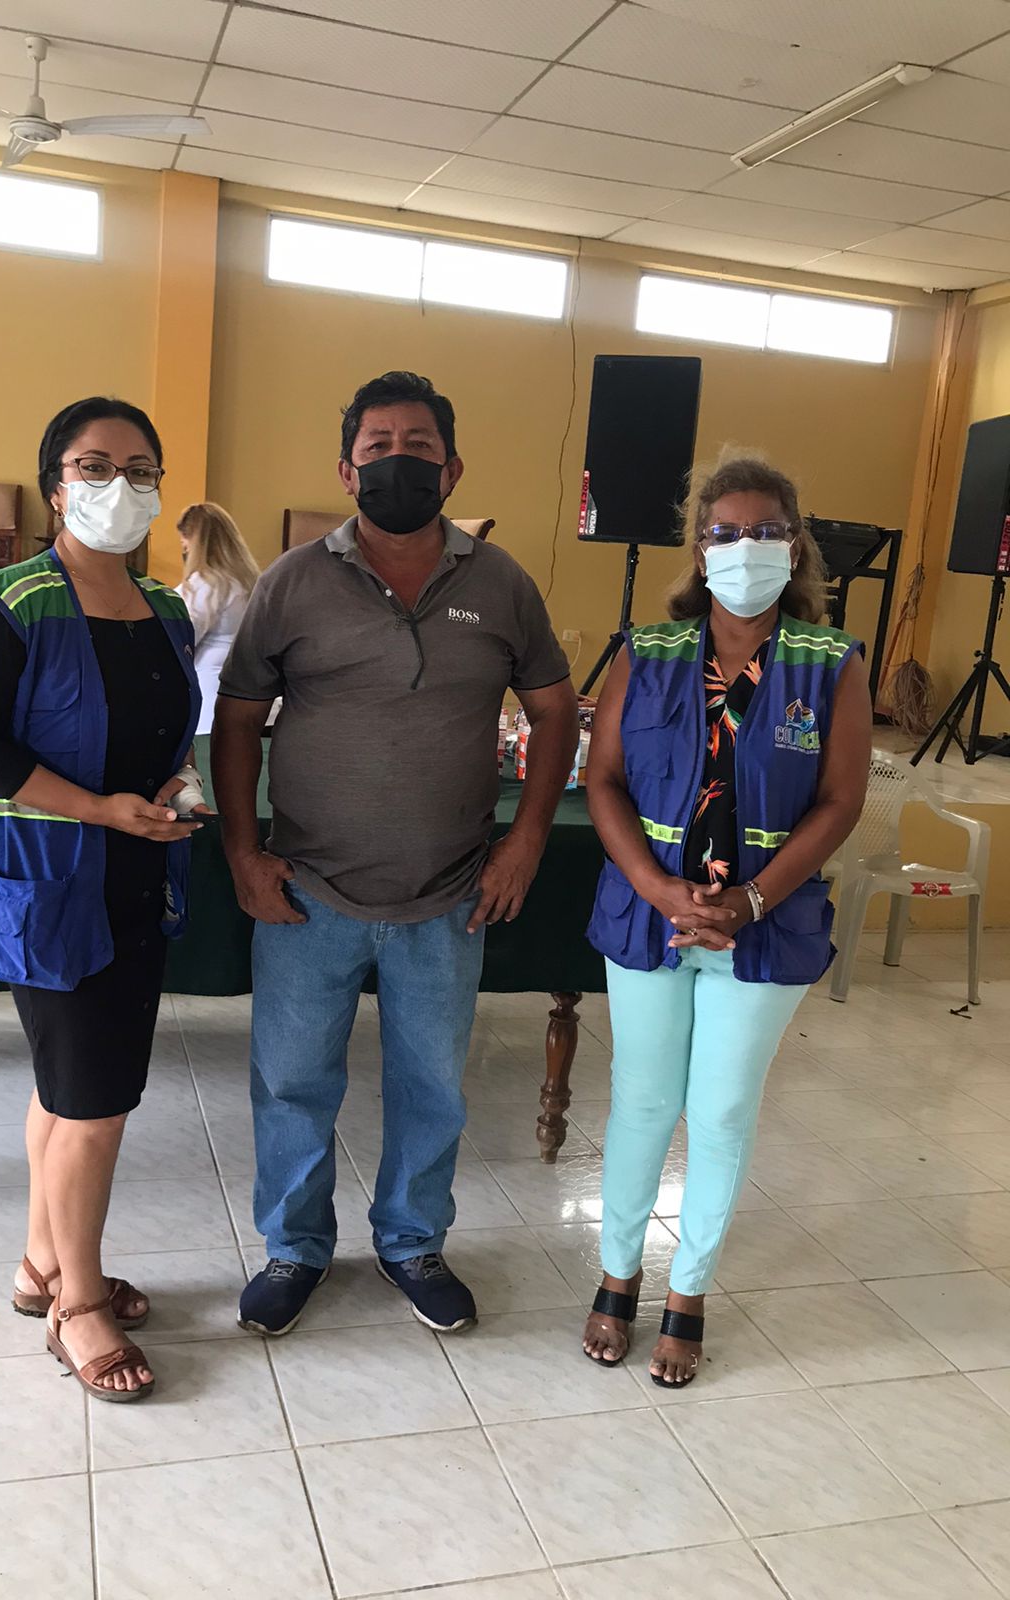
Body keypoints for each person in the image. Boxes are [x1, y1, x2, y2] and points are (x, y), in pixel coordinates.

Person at [212, 370, 579, 1337]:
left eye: (419, 447)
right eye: (377, 447)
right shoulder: (293, 581)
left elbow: (555, 714)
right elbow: (238, 720)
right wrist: (244, 851)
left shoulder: (501, 584)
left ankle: (413, 1242)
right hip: (308, 890)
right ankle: (294, 1249)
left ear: (452, 469)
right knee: (293, 1084)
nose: (398, 461)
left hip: (449, 893)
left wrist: (526, 841)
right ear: (347, 469)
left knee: (433, 1088)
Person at [0, 396, 208, 1404]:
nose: (119, 486)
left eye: (141, 469)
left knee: (67, 1089)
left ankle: (41, 1264)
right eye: (95, 466)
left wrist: (174, 786)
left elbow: (164, 729)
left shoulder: (166, 610)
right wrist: (98, 808)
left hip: (137, 872)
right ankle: (79, 1306)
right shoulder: (9, 603)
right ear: (56, 486)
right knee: (95, 1103)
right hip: (51, 883)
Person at [581, 453, 871, 1387]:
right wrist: (659, 888)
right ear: (700, 549)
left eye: (767, 531)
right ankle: (617, 1275)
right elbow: (603, 780)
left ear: (798, 546)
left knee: (721, 1111)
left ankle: (689, 1290)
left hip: (767, 926)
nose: (747, 547)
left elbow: (840, 802)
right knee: (641, 1103)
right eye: (727, 532)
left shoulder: (832, 663)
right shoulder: (648, 651)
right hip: (651, 920)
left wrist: (749, 901)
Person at [176, 501, 260, 736]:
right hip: (249, 697)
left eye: (184, 541)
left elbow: (180, 639)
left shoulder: (206, 585)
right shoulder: (249, 583)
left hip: (210, 700)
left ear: (195, 540)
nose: (184, 548)